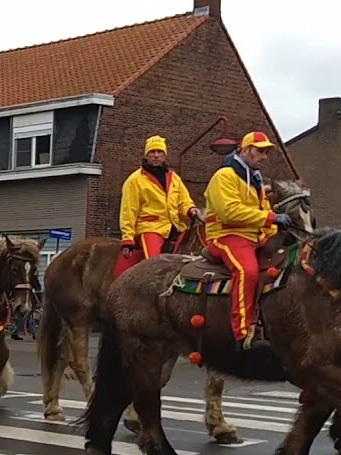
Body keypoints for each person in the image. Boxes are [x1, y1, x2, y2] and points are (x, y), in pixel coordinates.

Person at [204, 131, 292, 351]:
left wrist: (277, 229)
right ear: (244, 150)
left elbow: (262, 211)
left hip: (254, 236)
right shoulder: (224, 176)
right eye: (259, 151)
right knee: (247, 271)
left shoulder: (255, 179)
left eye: (266, 152)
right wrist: (271, 218)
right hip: (226, 235)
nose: (264, 156)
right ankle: (243, 333)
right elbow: (229, 212)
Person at [119, 135, 199, 261]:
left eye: (159, 152)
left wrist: (191, 210)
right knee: (154, 263)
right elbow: (128, 212)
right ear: (146, 155)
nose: (156, 155)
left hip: (176, 227)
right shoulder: (134, 181)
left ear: (164, 155)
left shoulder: (174, 178)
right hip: (150, 229)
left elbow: (184, 201)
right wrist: (127, 239)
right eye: (152, 152)